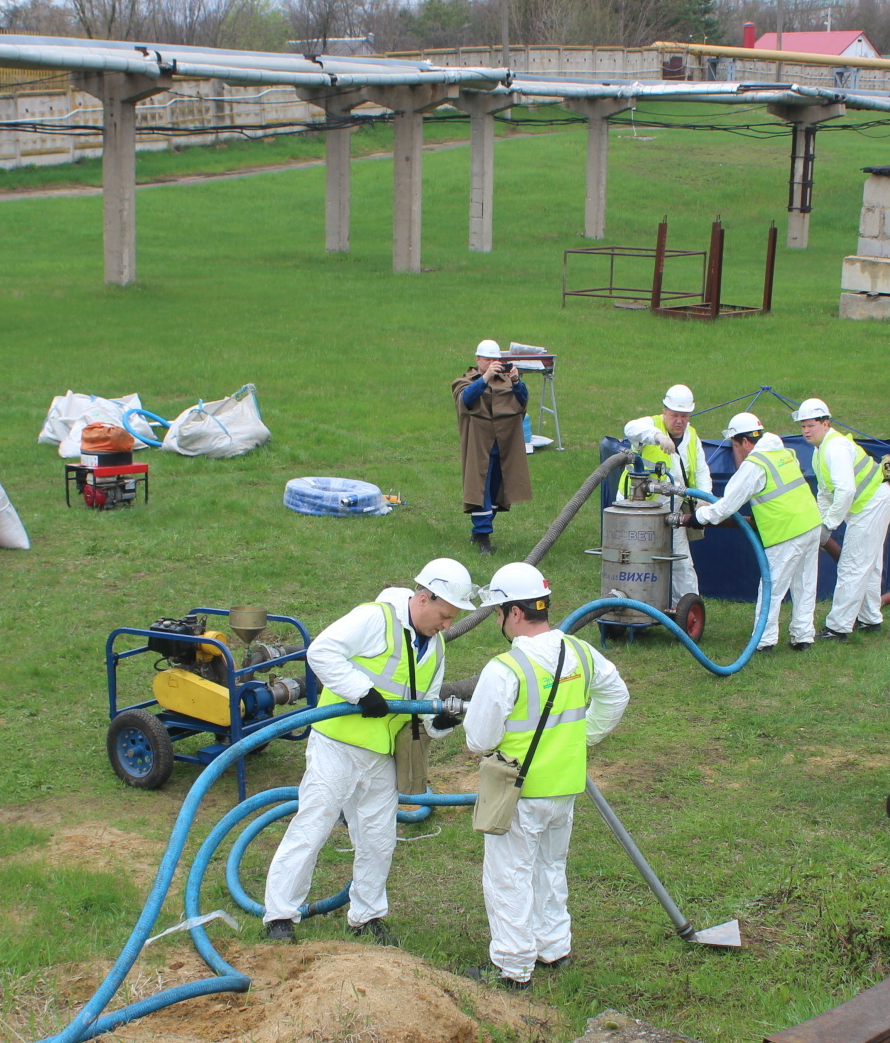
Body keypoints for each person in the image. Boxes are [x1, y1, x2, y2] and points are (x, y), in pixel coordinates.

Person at [262, 558, 480, 943]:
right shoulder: (375, 619)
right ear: (424, 598)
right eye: (445, 615)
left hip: (382, 755)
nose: (448, 625)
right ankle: (279, 916)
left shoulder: (437, 646)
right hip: (338, 745)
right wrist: (361, 692)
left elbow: (425, 703)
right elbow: (322, 652)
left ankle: (366, 915)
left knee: (379, 838)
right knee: (313, 827)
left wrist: (440, 724)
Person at [462, 562, 629, 989]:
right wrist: (581, 738)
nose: (498, 620)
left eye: (498, 612)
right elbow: (616, 695)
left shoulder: (505, 669)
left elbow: (479, 739)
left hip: (518, 792)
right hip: (564, 786)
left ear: (515, 613)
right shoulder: (581, 652)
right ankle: (553, 948)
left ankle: (513, 967)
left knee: (509, 876)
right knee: (550, 868)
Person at [676, 412, 825, 652]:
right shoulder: (784, 453)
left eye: (735, 445)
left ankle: (764, 642)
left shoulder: (755, 465)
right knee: (805, 583)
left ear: (744, 441)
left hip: (785, 531)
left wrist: (697, 518)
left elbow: (725, 507)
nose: (738, 451)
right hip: (811, 523)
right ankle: (803, 637)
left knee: (771, 588)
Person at [794, 399, 890, 640]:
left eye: (811, 425)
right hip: (867, 503)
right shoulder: (820, 450)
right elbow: (826, 493)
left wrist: (829, 525)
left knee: (853, 564)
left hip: (872, 503)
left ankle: (838, 627)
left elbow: (846, 491)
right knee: (868, 564)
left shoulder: (835, 447)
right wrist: (818, 522)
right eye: (803, 426)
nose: (806, 431)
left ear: (825, 423)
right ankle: (870, 619)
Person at [618, 383, 711, 607]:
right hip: (637, 510)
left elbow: (701, 470)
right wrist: (657, 436)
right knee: (637, 561)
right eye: (674, 415)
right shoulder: (649, 426)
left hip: (673, 510)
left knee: (682, 563)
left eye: (684, 415)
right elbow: (630, 428)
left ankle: (687, 610)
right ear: (665, 411)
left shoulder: (691, 437)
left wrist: (703, 501)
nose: (679, 420)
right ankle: (635, 607)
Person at [452, 339, 534, 556]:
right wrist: (485, 379)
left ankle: (482, 531)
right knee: (480, 490)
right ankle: (482, 535)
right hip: (479, 447)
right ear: (478, 359)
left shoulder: (506, 380)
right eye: (487, 359)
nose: (491, 363)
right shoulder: (465, 381)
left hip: (504, 446)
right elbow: (466, 400)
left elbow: (522, 401)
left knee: (498, 492)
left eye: (495, 360)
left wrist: (517, 382)